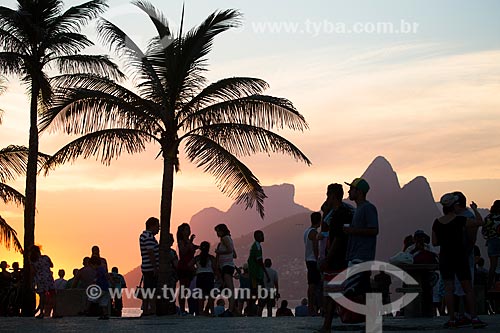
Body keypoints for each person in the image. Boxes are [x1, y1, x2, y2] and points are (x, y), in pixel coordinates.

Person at [432, 193, 486, 329]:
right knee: (468, 288)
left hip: (445, 257)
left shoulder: (437, 222)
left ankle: (451, 319)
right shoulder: (460, 220)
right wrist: (475, 209)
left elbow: (435, 242)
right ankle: (474, 317)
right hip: (460, 257)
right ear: (454, 206)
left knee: (448, 290)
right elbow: (480, 222)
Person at [320, 183, 354, 332]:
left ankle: (327, 325)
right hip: (341, 257)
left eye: (328, 195)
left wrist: (328, 258)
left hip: (336, 258)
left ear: (333, 196)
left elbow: (337, 239)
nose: (327, 198)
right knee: (332, 293)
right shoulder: (341, 212)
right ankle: (327, 325)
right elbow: (325, 229)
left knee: (331, 293)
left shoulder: (339, 214)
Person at [343, 178, 378, 295]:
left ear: (359, 192)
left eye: (351, 189)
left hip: (362, 256)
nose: (349, 191)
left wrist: (352, 230)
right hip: (355, 256)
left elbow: (374, 230)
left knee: (352, 290)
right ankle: (368, 312)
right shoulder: (358, 209)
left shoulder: (368, 208)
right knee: (361, 290)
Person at [139, 217, 160, 316]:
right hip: (150, 267)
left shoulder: (145, 236)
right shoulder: (148, 237)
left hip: (147, 266)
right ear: (152, 226)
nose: (158, 228)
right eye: (157, 226)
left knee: (148, 289)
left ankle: (147, 309)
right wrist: (155, 267)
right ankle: (152, 310)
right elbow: (150, 252)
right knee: (151, 290)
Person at [176, 223, 198, 315]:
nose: (188, 231)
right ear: (182, 231)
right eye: (186, 229)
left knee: (190, 289)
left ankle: (190, 309)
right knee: (183, 288)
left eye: (189, 229)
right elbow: (183, 251)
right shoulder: (181, 241)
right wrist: (190, 242)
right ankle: (182, 309)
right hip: (183, 267)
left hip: (191, 267)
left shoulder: (188, 241)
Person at [215, 224, 237, 314]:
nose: (217, 233)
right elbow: (234, 255)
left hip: (227, 266)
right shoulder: (228, 239)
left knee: (230, 288)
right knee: (228, 287)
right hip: (227, 266)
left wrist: (219, 252)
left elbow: (230, 250)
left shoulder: (225, 238)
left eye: (218, 231)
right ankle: (233, 308)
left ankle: (231, 309)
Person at [190, 241, 216, 316]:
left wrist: (196, 270)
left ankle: (200, 311)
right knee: (210, 295)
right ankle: (212, 312)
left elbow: (190, 265)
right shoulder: (211, 258)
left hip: (200, 276)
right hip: (209, 276)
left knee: (201, 295)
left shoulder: (197, 258)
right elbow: (215, 267)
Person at [30, 245, 56, 318]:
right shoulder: (46, 257)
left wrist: (32, 283)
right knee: (53, 295)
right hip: (48, 278)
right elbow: (52, 265)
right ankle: (55, 312)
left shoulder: (33, 261)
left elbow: (33, 272)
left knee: (42, 296)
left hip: (40, 279)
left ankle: (41, 312)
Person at [248, 230, 269, 313]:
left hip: (257, 274)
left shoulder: (257, 246)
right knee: (256, 293)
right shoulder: (256, 247)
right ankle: (251, 311)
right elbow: (259, 261)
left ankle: (253, 310)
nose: (263, 237)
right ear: (256, 237)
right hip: (255, 274)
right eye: (261, 235)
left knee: (257, 293)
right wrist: (266, 274)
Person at [304, 212, 321, 315]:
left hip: (308, 260)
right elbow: (315, 247)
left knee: (311, 284)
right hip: (313, 261)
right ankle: (312, 308)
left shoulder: (306, 231)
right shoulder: (314, 232)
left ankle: (312, 307)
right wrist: (318, 259)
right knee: (314, 285)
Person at [482, 200, 500, 290]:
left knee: (492, 265)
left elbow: (484, 232)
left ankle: (489, 286)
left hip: (491, 242)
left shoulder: (488, 218)